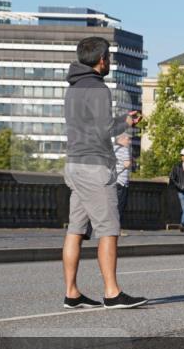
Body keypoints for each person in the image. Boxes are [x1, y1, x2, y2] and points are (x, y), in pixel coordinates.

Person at [62, 36, 147, 309]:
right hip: (95, 167)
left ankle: (72, 293)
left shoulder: (73, 88)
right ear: (101, 60)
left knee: (75, 230)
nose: (108, 61)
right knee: (109, 229)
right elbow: (103, 129)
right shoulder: (98, 89)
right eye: (108, 57)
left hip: (74, 164)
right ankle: (112, 293)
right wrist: (125, 121)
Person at [113, 133, 132, 228]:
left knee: (113, 206)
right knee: (120, 206)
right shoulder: (124, 150)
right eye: (128, 139)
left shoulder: (113, 149)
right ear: (122, 139)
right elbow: (127, 164)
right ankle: (116, 229)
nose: (129, 142)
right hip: (122, 182)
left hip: (114, 181)